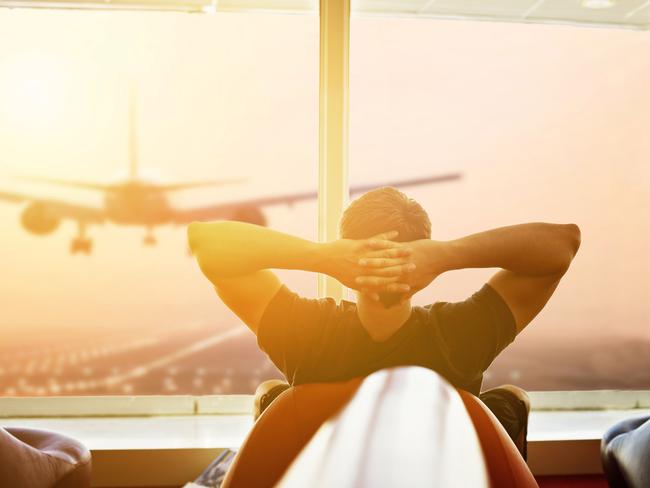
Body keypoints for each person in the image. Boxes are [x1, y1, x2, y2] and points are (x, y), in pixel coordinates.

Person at [187, 187, 581, 460]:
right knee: (509, 402)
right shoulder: (461, 334)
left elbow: (206, 243)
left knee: (273, 397)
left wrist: (323, 257)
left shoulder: (305, 330)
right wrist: (444, 256)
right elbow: (561, 246)